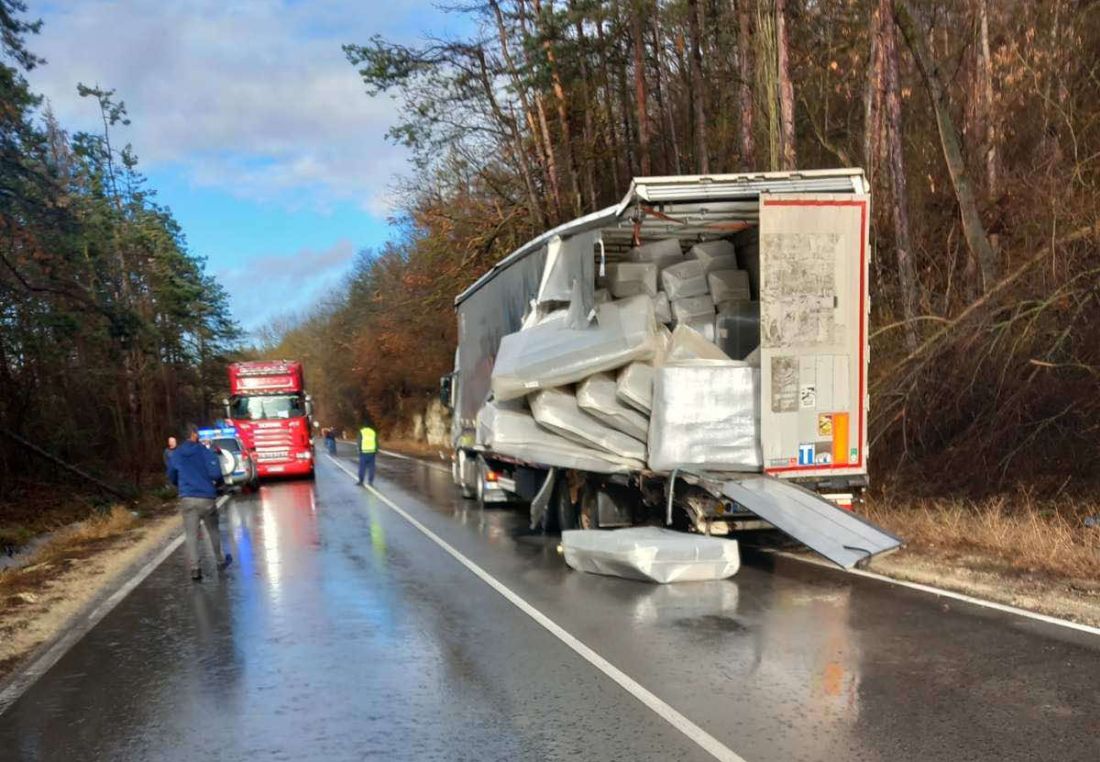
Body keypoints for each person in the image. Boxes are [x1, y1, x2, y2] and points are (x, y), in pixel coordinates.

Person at [167, 424, 232, 581]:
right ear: (194, 435)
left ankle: (195, 569)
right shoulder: (204, 451)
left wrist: (181, 485)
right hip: (206, 497)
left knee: (191, 535)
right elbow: (215, 473)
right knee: (213, 530)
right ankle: (220, 560)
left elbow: (172, 475)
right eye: (197, 433)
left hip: (187, 498)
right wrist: (219, 483)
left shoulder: (176, 454)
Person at [356, 417, 378, 487]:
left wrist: (359, 450)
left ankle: (361, 481)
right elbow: (376, 442)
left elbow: (359, 442)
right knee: (371, 468)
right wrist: (376, 450)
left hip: (364, 452)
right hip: (372, 452)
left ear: (364, 425)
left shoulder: (361, 431)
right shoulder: (373, 432)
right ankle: (370, 481)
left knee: (362, 467)